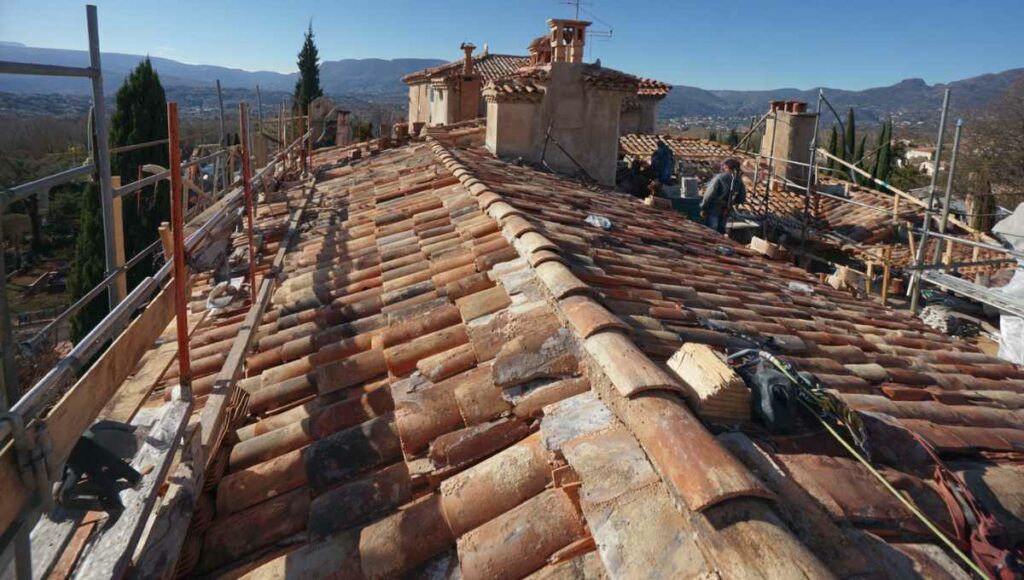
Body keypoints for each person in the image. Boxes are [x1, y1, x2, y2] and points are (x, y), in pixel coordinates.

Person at [700, 158, 746, 234]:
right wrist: (731, 203)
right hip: (726, 211)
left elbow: (708, 195)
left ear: (726, 166)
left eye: (723, 166)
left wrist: (703, 207)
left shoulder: (719, 178)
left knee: (711, 232)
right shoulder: (738, 180)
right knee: (721, 232)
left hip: (713, 209)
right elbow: (741, 198)